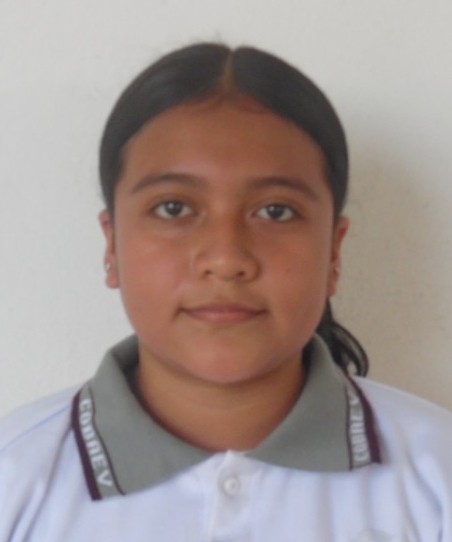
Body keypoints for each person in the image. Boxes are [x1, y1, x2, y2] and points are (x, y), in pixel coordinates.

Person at [1, 42, 451, 542]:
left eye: (275, 211)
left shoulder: (437, 477)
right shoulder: (15, 478)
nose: (225, 258)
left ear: (333, 252)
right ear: (112, 244)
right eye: (173, 208)